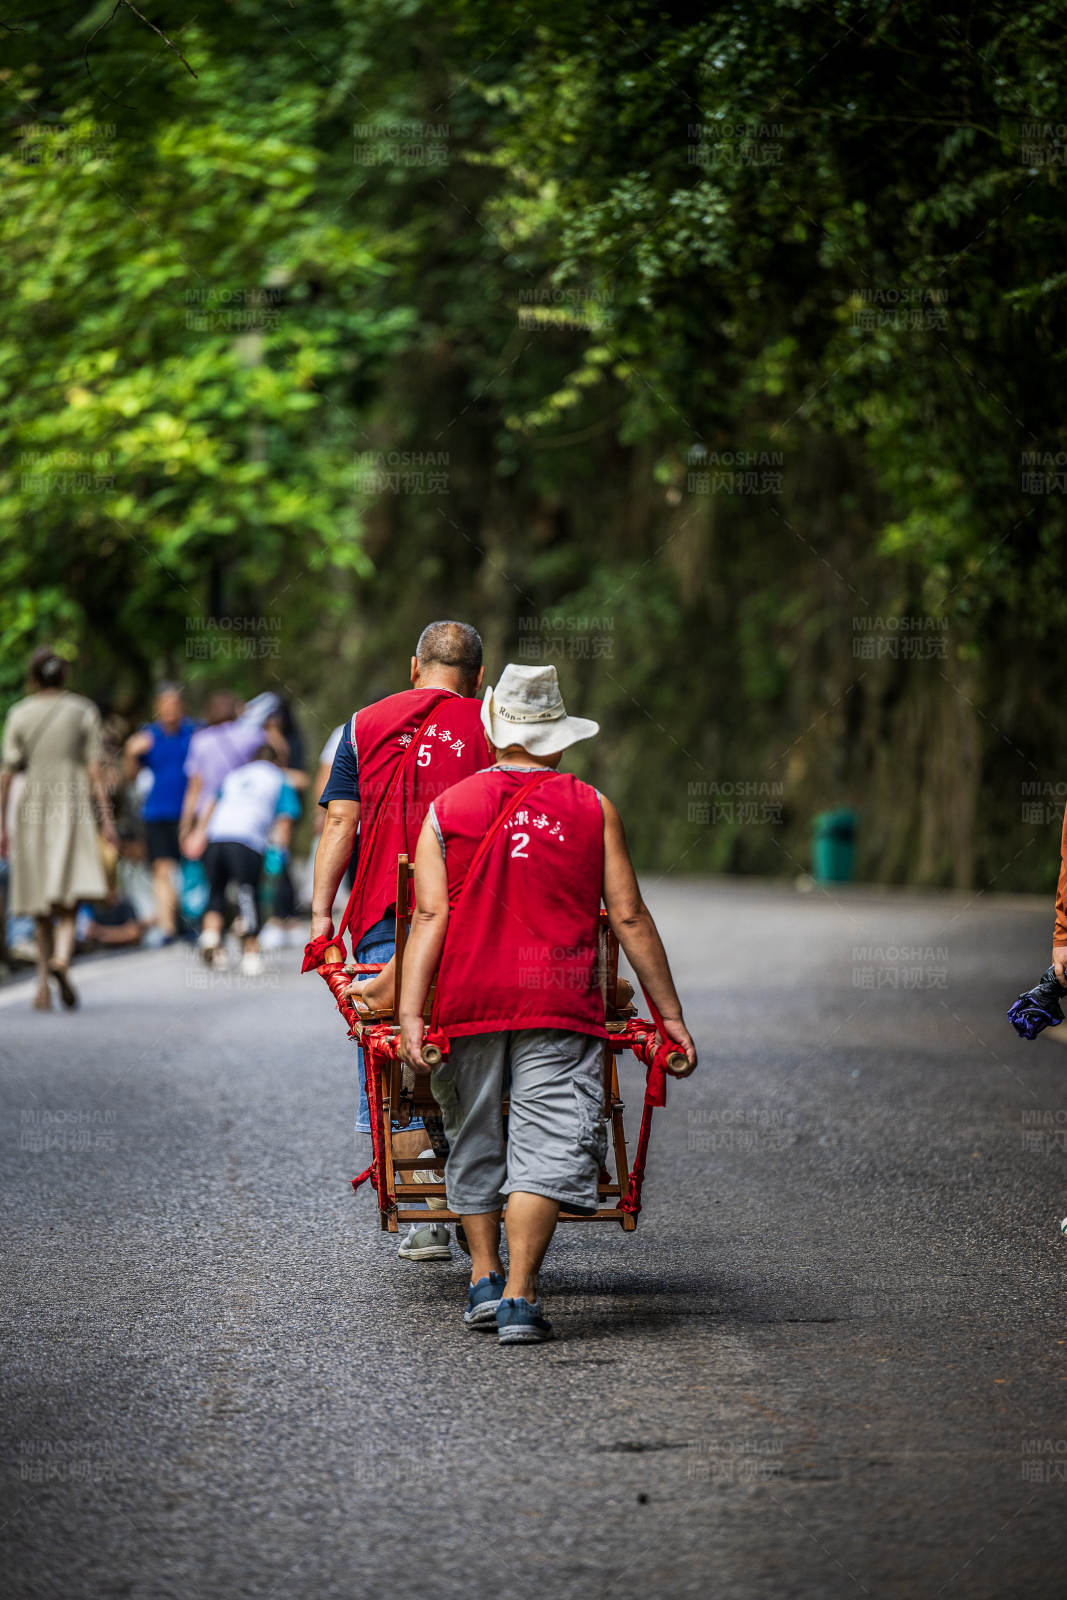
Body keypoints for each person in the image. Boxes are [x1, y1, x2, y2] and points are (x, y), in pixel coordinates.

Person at [397, 663, 697, 1344]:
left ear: (490, 731)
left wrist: (412, 1015)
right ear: (558, 740)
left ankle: (482, 1275)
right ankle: (519, 1295)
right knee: (548, 1141)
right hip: (558, 1002)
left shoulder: (447, 810)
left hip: (468, 1003)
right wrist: (669, 1016)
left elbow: (429, 917)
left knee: (473, 1132)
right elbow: (628, 916)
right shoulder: (593, 807)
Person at [309, 620, 492, 1262]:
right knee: (471, 1045)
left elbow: (341, 821)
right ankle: (482, 1200)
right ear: (478, 677)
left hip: (386, 915)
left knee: (395, 1055)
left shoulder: (362, 725)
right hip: (474, 914)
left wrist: (321, 918)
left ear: (414, 668)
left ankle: (425, 1214)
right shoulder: (492, 724)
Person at [0, 648, 117, 1011]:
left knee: (40, 901)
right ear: (63, 675)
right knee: (71, 891)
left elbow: (7, 773)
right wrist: (107, 819)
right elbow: (95, 769)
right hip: (72, 804)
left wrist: (1, 824)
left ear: (33, 676)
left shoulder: (20, 712)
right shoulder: (83, 710)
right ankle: (62, 959)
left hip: (32, 807)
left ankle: (41, 987)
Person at [199, 745, 302, 977]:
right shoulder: (279, 778)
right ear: (277, 760)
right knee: (248, 895)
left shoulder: (234, 776)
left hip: (216, 837)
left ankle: (211, 935)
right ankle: (251, 954)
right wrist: (281, 853)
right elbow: (285, 819)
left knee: (216, 891)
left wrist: (198, 834)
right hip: (246, 840)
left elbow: (211, 805)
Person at [123, 684, 195, 943]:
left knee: (191, 870)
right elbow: (130, 777)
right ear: (157, 708)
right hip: (156, 813)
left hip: (189, 812)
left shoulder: (194, 733)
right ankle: (167, 928)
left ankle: (195, 922)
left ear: (182, 706)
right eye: (165, 705)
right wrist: (130, 753)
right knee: (162, 869)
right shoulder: (149, 736)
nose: (170, 710)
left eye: (174, 704)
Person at [178, 690, 281, 839]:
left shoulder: (200, 740)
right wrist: (271, 726)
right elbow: (278, 753)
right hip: (241, 813)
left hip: (204, 816)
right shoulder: (251, 736)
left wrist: (185, 825)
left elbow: (194, 787)